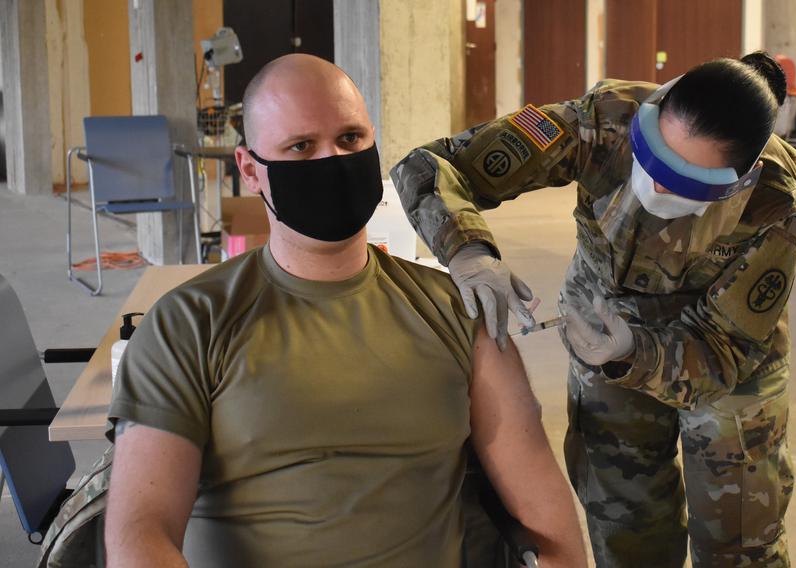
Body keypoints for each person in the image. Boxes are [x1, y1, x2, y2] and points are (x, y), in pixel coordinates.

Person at [104, 54, 586, 568]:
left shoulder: (455, 310)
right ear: (250, 170)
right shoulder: (190, 323)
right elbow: (142, 530)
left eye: (351, 139)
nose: (331, 161)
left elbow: (539, 494)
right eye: (301, 146)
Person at [391, 52, 796, 567]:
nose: (657, 186)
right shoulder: (601, 122)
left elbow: (724, 352)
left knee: (741, 533)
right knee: (624, 514)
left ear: (738, 180)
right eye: (651, 157)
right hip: (601, 322)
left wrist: (637, 351)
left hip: (720, 354)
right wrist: (467, 250)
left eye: (690, 183)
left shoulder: (772, 201)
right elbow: (433, 164)